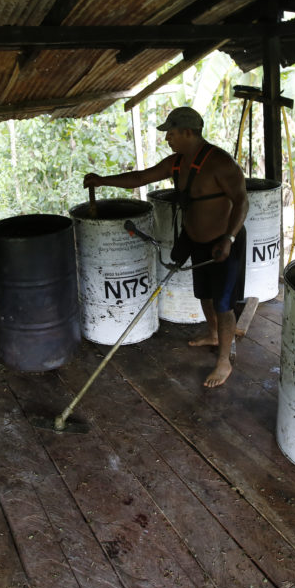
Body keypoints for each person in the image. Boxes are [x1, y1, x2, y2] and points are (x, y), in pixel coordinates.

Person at [83, 107, 249, 388]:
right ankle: (213, 334)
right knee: (205, 296)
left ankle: (224, 361)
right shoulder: (177, 163)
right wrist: (102, 180)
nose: (167, 139)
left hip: (224, 242)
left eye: (171, 133)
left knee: (224, 303)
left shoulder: (219, 163)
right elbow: (139, 178)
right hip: (197, 241)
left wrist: (229, 239)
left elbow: (242, 201)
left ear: (187, 132)